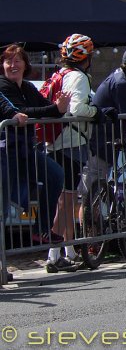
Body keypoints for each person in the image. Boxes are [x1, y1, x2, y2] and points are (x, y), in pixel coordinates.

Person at [0, 45, 68, 247]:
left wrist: (59, 109)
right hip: (5, 151)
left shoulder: (28, 87)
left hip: (25, 150)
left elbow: (46, 109)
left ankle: (41, 230)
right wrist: (52, 108)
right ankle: (4, 262)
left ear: (25, 64)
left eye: (17, 61)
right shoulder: (2, 86)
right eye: (8, 61)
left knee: (55, 175)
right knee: (4, 203)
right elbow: (16, 110)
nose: (13, 65)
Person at [45, 34, 98, 272]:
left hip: (57, 141)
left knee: (64, 199)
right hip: (72, 142)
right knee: (66, 201)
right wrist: (96, 111)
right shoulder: (79, 77)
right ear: (85, 58)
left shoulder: (60, 74)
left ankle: (68, 250)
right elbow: (77, 108)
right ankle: (54, 254)